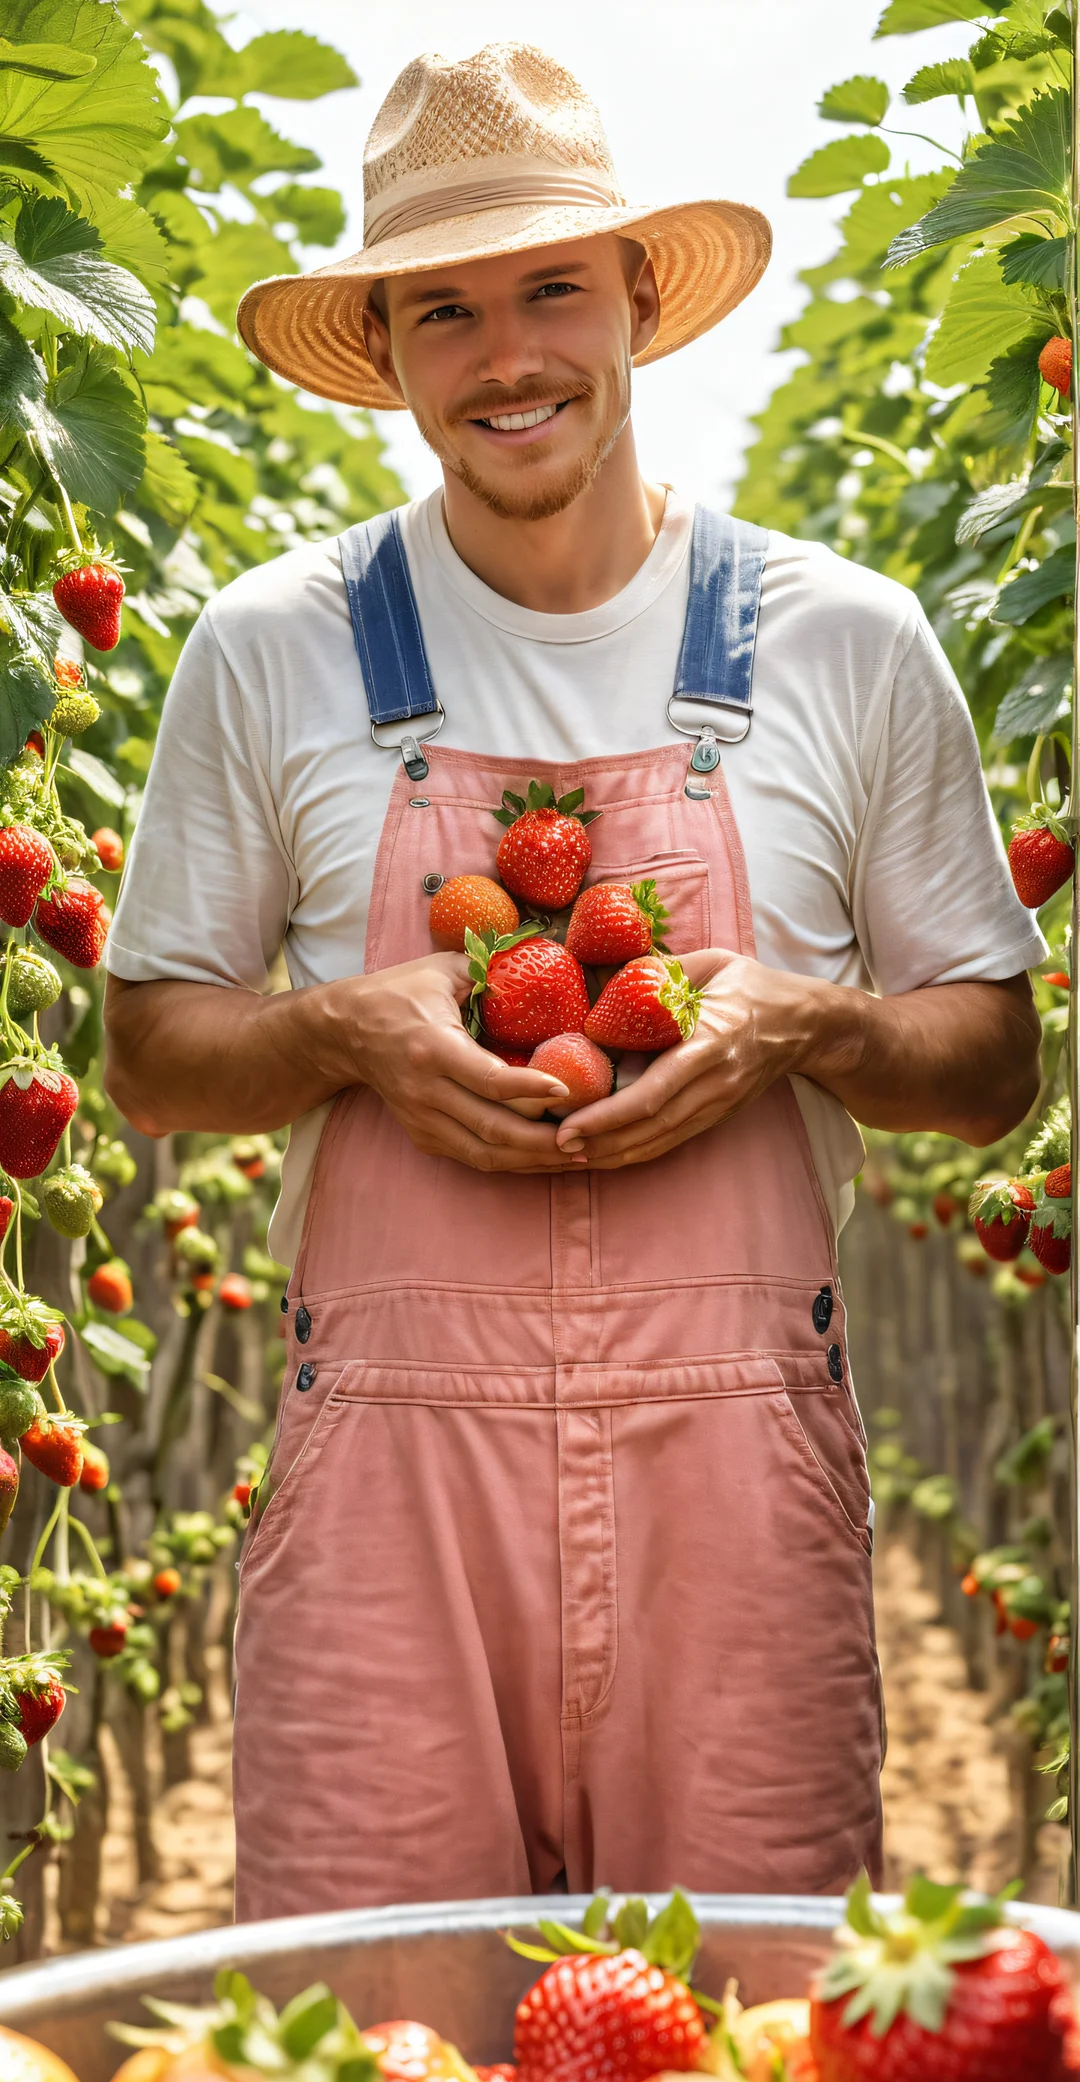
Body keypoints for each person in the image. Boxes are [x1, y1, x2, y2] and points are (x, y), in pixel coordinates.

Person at [104, 43, 1044, 1920]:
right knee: (375, 2074)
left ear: (636, 299)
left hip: (738, 1491)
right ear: (381, 347)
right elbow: (149, 1052)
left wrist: (809, 1022)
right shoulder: (270, 647)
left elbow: (990, 1059)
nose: (507, 353)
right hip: (388, 1486)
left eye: (549, 287)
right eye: (444, 308)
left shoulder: (847, 643)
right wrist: (340, 1032)